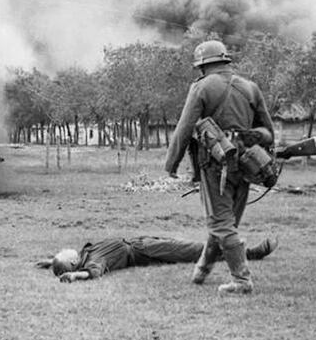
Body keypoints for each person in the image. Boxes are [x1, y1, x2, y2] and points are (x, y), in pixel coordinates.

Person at [164, 39, 275, 295]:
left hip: (215, 166)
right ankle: (202, 270)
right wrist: (248, 138)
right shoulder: (251, 88)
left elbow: (184, 128)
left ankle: (241, 280)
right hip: (248, 165)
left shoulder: (202, 87)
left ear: (203, 66)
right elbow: (268, 133)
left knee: (221, 223)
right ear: (225, 61)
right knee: (225, 222)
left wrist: (172, 164)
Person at [36, 235, 278, 283]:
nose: (65, 249)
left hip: (143, 242)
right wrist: (73, 276)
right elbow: (92, 272)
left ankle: (243, 252)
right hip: (148, 251)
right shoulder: (92, 261)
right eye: (63, 254)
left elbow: (67, 261)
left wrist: (51, 263)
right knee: (197, 250)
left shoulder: (84, 253)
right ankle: (252, 254)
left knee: (196, 248)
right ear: (72, 263)